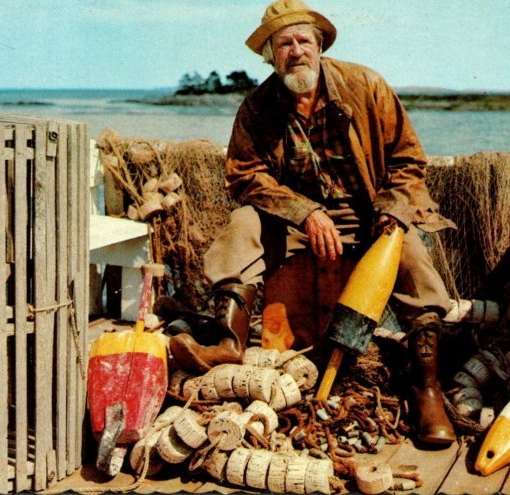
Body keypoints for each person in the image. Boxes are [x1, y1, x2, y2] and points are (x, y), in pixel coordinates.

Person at [169, 0, 456, 446]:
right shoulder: (258, 107)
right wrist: (306, 212)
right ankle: (228, 343)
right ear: (270, 55)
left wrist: (391, 209)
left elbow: (409, 160)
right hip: (295, 224)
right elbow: (246, 176)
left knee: (414, 256)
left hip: (369, 216)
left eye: (304, 40)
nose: (296, 51)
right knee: (243, 224)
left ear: (320, 46)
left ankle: (427, 389)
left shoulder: (367, 86)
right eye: (284, 44)